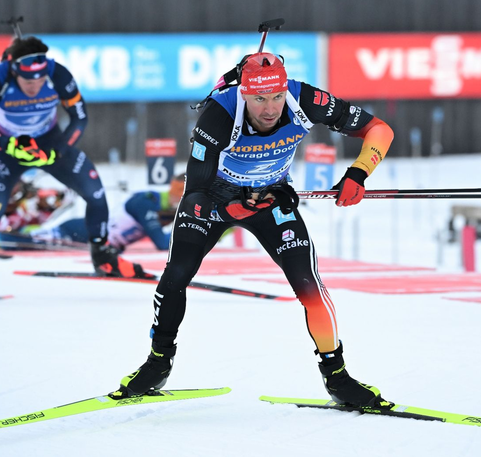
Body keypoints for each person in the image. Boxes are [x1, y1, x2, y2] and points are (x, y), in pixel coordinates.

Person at [113, 52, 394, 409]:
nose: (270, 109)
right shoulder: (218, 114)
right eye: (259, 98)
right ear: (244, 93)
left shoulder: (305, 99)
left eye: (276, 96)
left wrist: (359, 172)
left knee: (309, 285)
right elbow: (196, 189)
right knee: (177, 273)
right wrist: (230, 205)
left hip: (270, 198)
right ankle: (158, 363)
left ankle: (337, 377)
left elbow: (379, 129)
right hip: (213, 198)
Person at [0, 35, 143, 302]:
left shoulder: (56, 73)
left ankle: (103, 257)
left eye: (40, 79)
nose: (35, 85)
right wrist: (0, 141)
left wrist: (56, 151)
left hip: (51, 145)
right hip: (9, 149)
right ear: (15, 70)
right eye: (29, 81)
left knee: (96, 194)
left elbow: (80, 117)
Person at [28, 176, 185, 251]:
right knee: (19, 241)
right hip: (77, 232)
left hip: (88, 236)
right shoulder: (146, 202)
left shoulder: (156, 204)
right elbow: (162, 243)